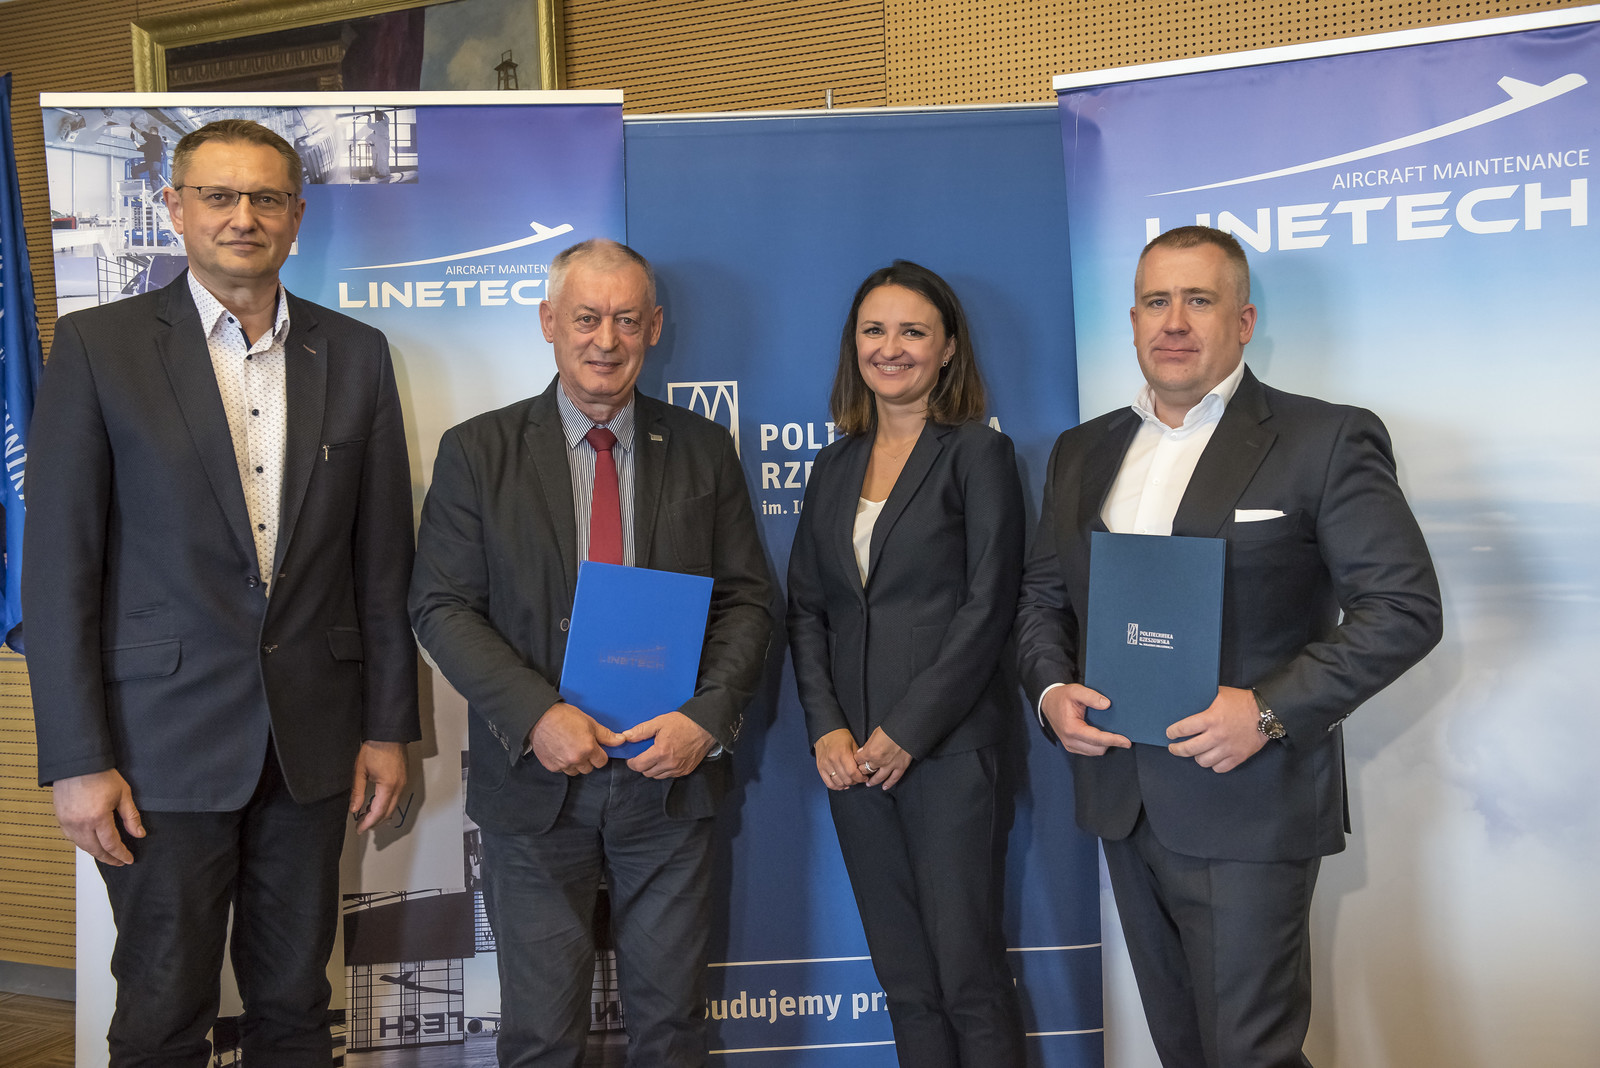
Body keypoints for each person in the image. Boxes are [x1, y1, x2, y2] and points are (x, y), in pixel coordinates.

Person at [25, 118, 418, 1066]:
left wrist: (387, 727)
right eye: (219, 196)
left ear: (297, 216)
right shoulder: (99, 347)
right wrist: (76, 759)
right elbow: (59, 568)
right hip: (157, 749)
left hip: (312, 747)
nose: (244, 216)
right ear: (175, 208)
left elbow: (381, 564)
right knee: (162, 1013)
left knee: (295, 1006)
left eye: (266, 198)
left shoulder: (356, 352)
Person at [1015, 225, 1443, 1068]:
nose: (1174, 321)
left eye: (1199, 300)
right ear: (1132, 320)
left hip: (1251, 798)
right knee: (1182, 1048)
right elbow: (1042, 598)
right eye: (1156, 301)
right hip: (1122, 796)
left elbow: (1403, 608)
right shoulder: (1081, 450)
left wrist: (1270, 710)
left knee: (1250, 1053)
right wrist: (1051, 690)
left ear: (1243, 321)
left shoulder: (1324, 438)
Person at [408, 238, 772, 1068]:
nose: (606, 340)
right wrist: (536, 715)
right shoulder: (477, 452)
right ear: (548, 322)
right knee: (541, 1036)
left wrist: (706, 719)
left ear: (655, 328)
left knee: (672, 1031)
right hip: (536, 785)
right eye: (586, 318)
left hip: (668, 782)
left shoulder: (704, 449)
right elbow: (441, 606)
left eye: (627, 320)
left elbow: (748, 601)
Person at [787, 261, 1026, 1067]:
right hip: (852, 761)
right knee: (906, 983)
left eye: (913, 331)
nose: (891, 348)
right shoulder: (833, 464)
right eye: (874, 330)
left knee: (968, 980)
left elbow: (988, 609)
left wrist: (909, 733)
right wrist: (827, 728)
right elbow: (807, 609)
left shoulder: (978, 456)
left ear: (948, 348)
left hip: (947, 754)